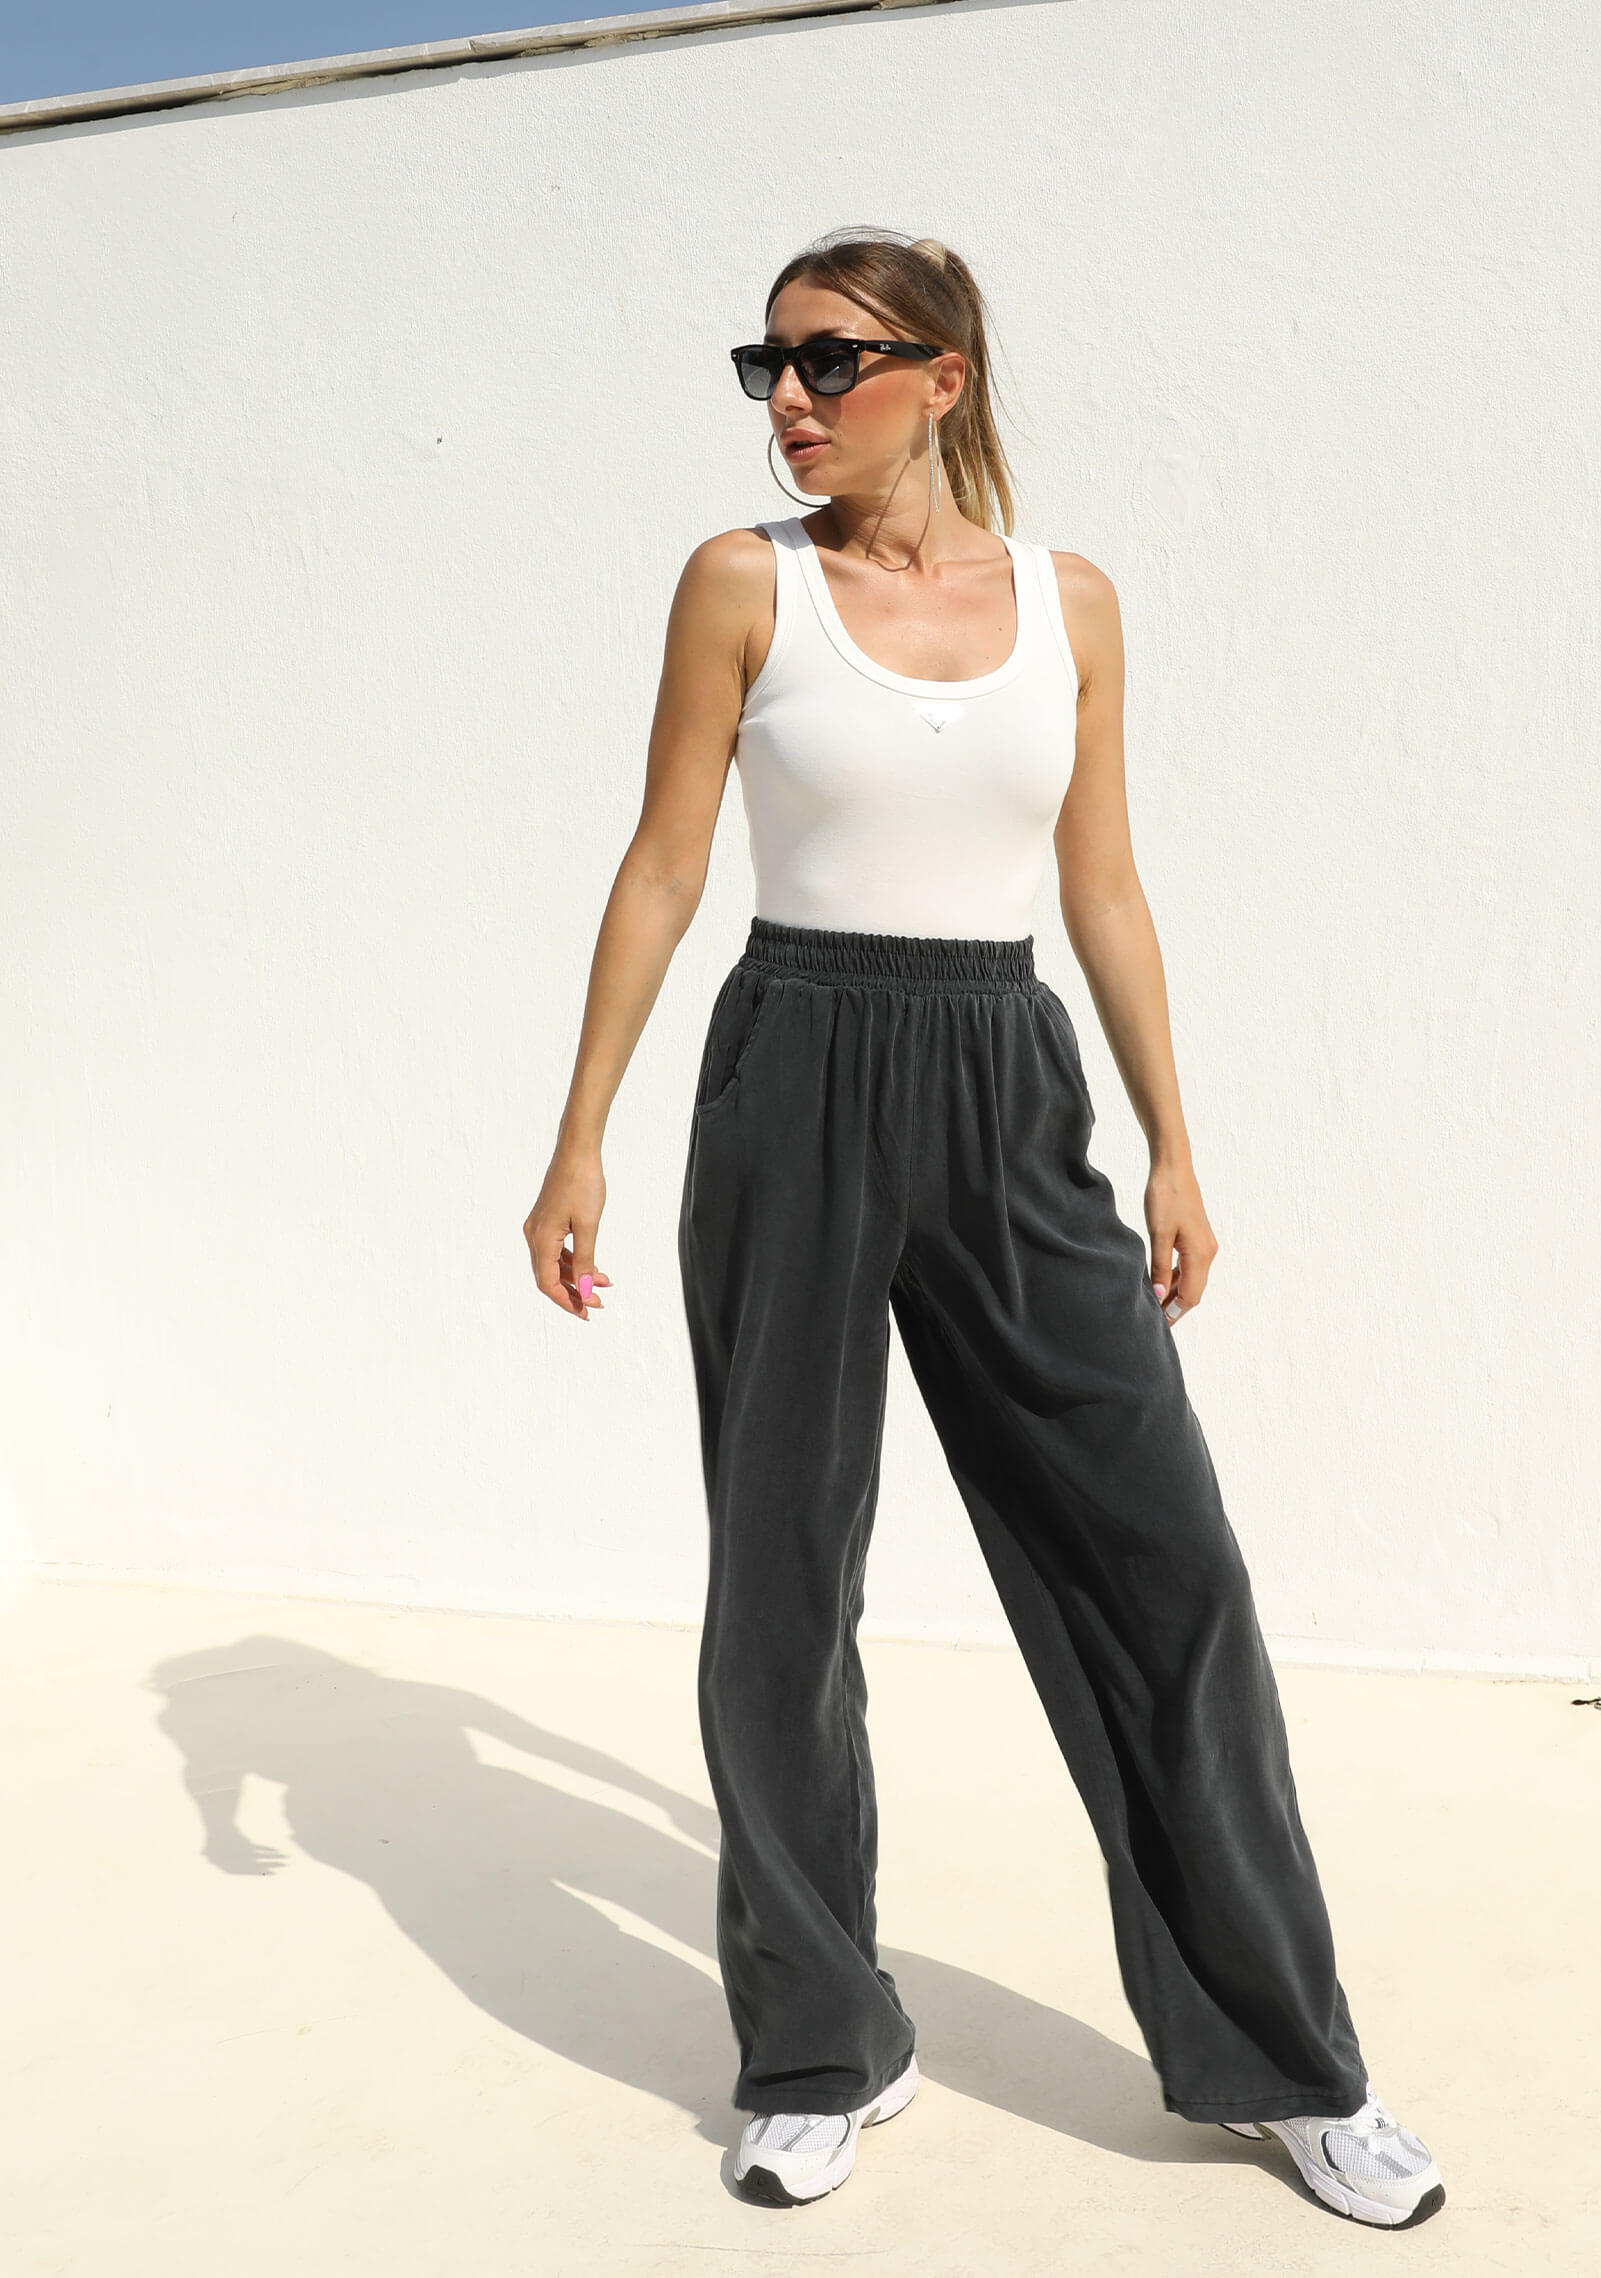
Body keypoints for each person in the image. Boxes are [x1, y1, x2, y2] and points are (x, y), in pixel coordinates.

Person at [522, 226, 1445, 2232]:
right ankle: (817, 2045)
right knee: (783, 1582)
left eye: (828, 359)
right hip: (793, 1067)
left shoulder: (1070, 604)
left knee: (1163, 1566)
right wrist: (578, 1131)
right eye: (766, 361)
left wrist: (1173, 1144)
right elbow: (664, 859)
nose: (787, 395)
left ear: (942, 377)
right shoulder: (742, 584)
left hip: (1006, 1078)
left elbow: (1102, 881)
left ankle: (1287, 2061)